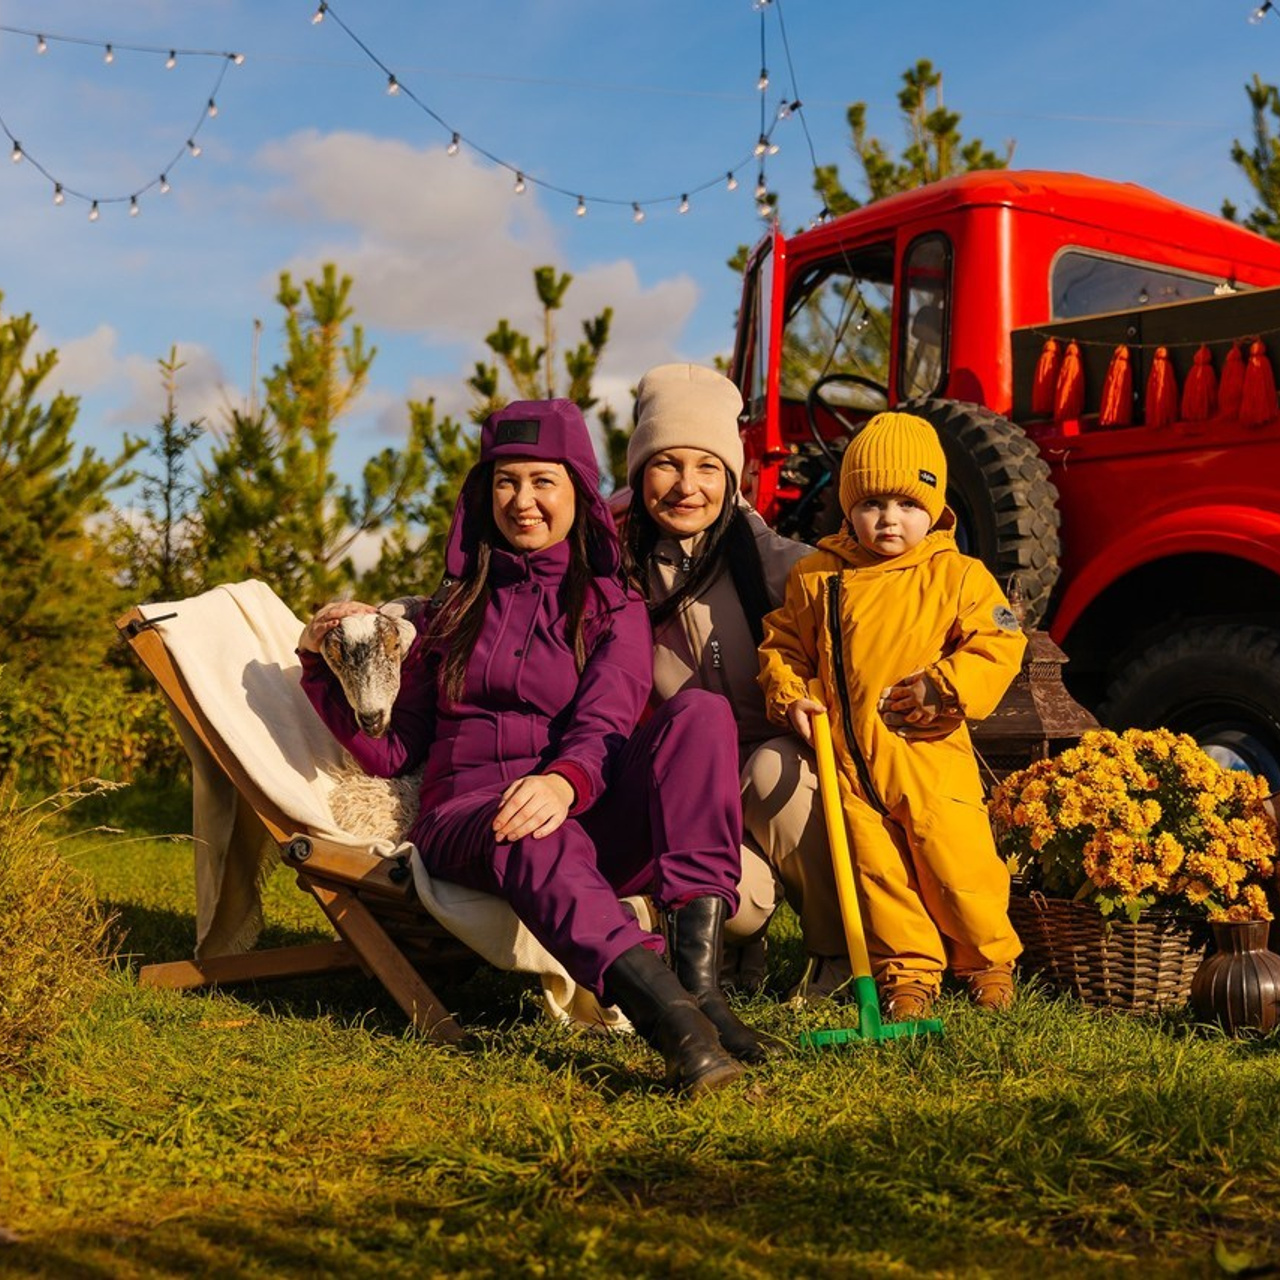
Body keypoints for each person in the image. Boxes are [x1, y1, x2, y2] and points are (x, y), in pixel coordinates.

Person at [298, 398, 774, 1095]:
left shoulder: (614, 605)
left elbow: (608, 720)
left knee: (699, 712)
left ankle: (703, 995)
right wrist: (321, 665)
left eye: (541, 481)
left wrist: (563, 783)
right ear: (483, 494)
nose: (522, 501)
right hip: (472, 817)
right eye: (505, 482)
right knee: (525, 827)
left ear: (577, 494)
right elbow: (395, 749)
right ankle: (676, 1030)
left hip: (584, 804)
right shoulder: (447, 613)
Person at [757, 411, 1025, 1019]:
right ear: (848, 507)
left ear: (933, 508)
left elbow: (999, 642)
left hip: (928, 755)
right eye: (872, 502)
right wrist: (790, 693)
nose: (889, 518)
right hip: (852, 761)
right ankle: (907, 972)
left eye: (907, 503)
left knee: (956, 860)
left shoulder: (957, 575)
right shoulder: (817, 577)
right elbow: (783, 648)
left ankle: (987, 962)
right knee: (880, 873)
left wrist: (947, 686)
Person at [622, 363, 849, 1001]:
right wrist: (388, 614)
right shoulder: (611, 557)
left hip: (770, 776)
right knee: (740, 904)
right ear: (640, 471)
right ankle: (736, 945)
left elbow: (876, 599)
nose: (686, 487)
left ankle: (834, 955)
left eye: (707, 467)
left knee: (777, 768)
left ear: (731, 475)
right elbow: (500, 582)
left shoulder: (775, 563)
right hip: (678, 786)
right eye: (666, 464)